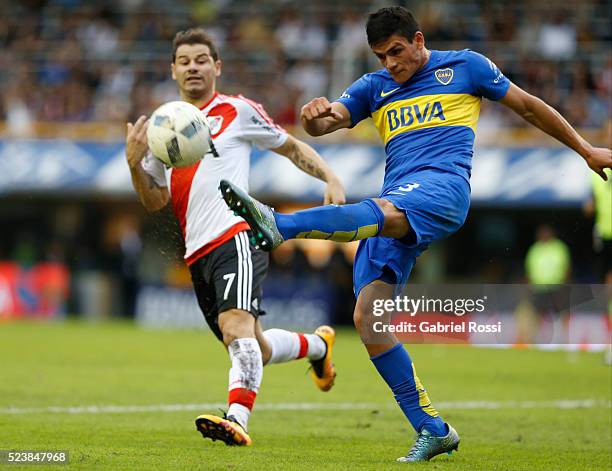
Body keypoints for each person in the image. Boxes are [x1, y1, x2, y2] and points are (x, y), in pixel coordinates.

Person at [219, 7, 612, 462]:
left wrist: (585, 150)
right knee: (369, 320)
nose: (390, 63)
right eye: (381, 55)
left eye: (397, 51)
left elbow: (527, 106)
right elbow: (327, 122)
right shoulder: (373, 87)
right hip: (396, 198)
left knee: (383, 211)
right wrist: (312, 118)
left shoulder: (466, 66)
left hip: (443, 188)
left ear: (419, 40)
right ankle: (433, 428)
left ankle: (279, 224)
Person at [125, 28, 346, 447]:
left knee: (235, 328)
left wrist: (330, 176)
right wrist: (135, 165)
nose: (193, 67)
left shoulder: (237, 110)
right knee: (253, 347)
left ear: (217, 67)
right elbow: (155, 202)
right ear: (173, 70)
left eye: (202, 59)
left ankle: (237, 418)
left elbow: (290, 147)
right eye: (185, 61)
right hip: (197, 253)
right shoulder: (159, 129)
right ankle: (318, 346)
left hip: (238, 234)